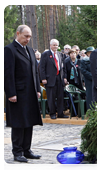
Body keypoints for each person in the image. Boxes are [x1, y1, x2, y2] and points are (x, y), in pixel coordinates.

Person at [4, 25, 42, 163]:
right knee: (19, 123)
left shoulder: (30, 50)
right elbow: (7, 74)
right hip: (17, 94)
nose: (28, 39)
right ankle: (17, 151)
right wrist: (11, 93)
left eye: (30, 36)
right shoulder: (9, 50)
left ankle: (27, 149)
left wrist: (37, 89)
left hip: (30, 92)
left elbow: (35, 72)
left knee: (29, 121)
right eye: (26, 36)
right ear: (18, 33)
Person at [39, 39, 68, 119]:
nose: (55, 46)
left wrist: (64, 77)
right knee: (51, 97)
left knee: (60, 96)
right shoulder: (45, 54)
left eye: (56, 45)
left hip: (59, 78)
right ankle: (52, 113)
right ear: (50, 45)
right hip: (50, 79)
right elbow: (42, 67)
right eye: (54, 45)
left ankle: (60, 113)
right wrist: (43, 78)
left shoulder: (60, 54)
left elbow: (63, 67)